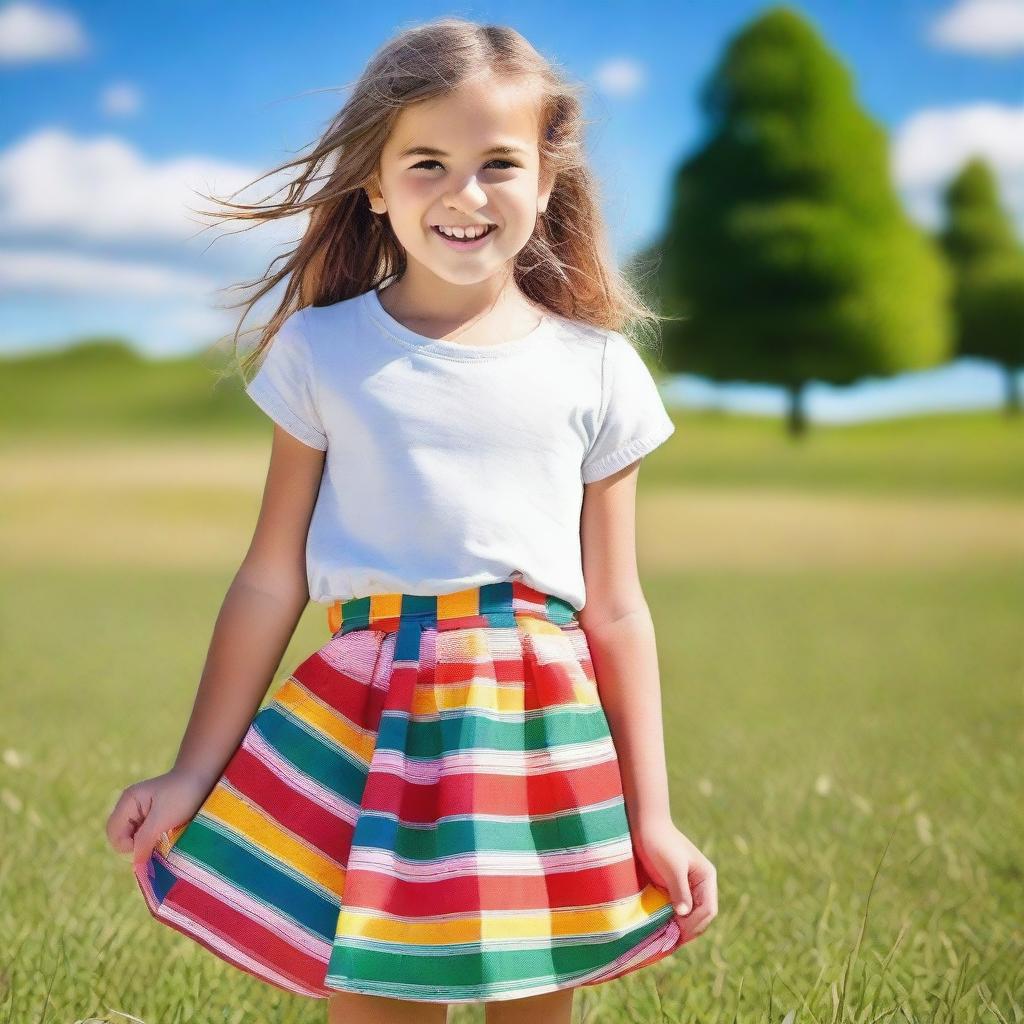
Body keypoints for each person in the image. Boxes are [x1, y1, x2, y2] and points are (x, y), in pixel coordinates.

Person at [105, 15, 718, 1023]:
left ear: (548, 177)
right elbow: (270, 576)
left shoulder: (597, 366)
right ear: (376, 184)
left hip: (534, 731)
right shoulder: (320, 349)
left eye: (498, 163)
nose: (464, 195)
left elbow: (614, 606)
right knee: (377, 995)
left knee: (530, 998)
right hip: (366, 722)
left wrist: (651, 815)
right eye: (426, 162)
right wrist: (190, 769)